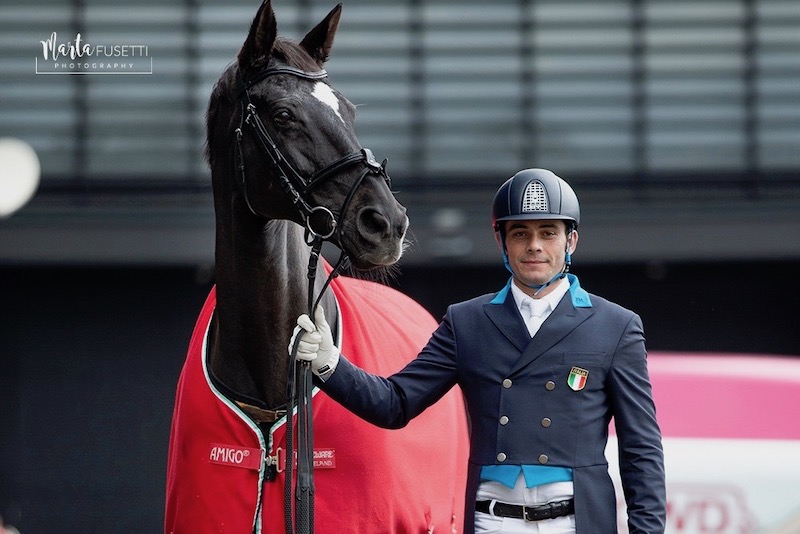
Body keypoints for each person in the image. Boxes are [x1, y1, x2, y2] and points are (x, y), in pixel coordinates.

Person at [291, 168, 666, 533]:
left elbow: (640, 448)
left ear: (571, 242)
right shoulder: (466, 322)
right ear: (502, 241)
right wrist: (329, 364)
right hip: (492, 521)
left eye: (548, 233)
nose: (534, 245)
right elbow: (396, 402)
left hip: (576, 521)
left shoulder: (616, 325)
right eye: (520, 233)